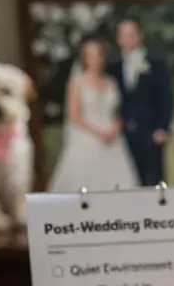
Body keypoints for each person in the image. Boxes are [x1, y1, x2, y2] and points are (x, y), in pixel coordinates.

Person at [48, 39, 139, 193]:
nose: (97, 59)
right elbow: (75, 116)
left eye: (99, 55)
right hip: (87, 134)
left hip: (112, 135)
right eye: (92, 55)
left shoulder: (111, 82)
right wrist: (99, 132)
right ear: (85, 59)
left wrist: (115, 128)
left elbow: (117, 111)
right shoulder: (77, 83)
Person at [109, 18, 174, 187]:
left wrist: (163, 128)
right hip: (123, 135)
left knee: (152, 179)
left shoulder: (156, 64)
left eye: (132, 34)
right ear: (118, 39)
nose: (128, 38)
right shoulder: (113, 68)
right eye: (124, 35)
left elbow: (166, 98)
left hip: (150, 132)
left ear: (140, 36)